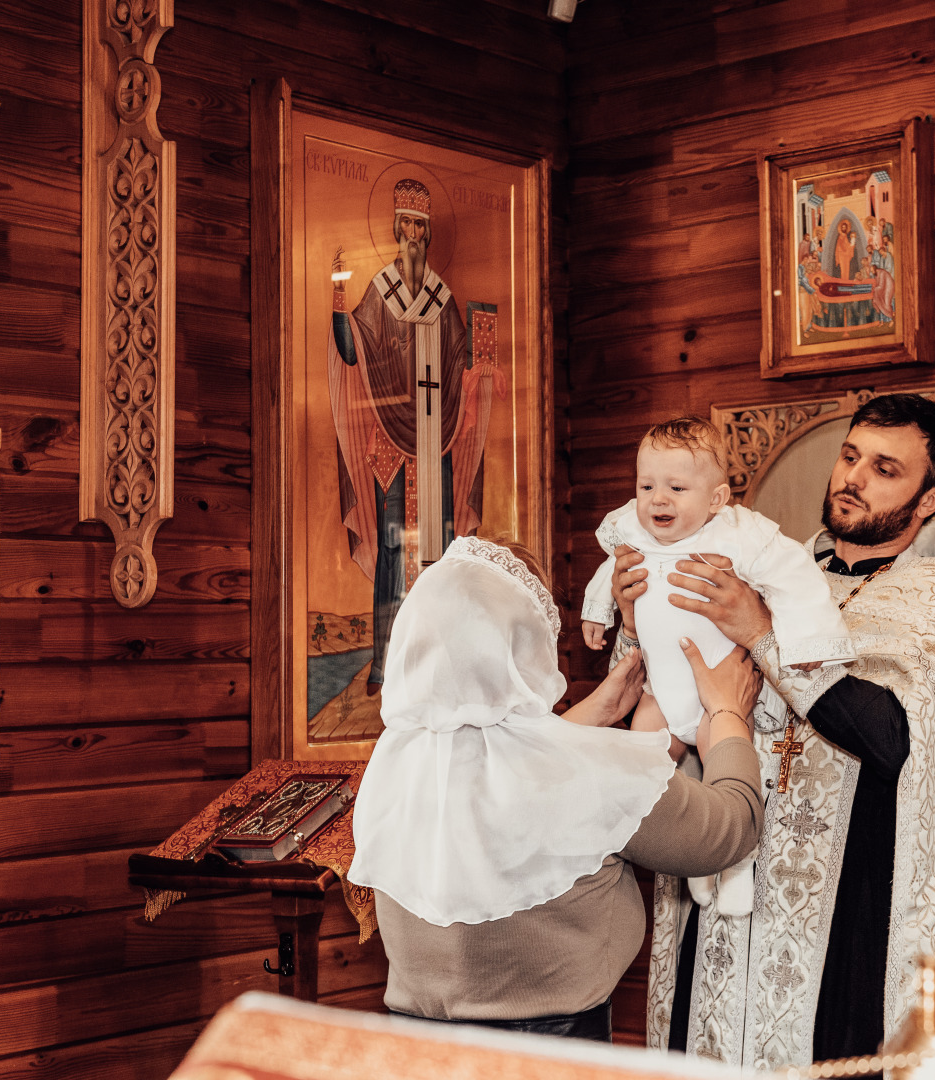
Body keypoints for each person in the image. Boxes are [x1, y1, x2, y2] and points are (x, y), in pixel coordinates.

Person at [622, 395, 935, 1070]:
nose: (853, 478)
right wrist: (639, 614)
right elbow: (666, 683)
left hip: (850, 901)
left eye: (884, 469)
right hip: (729, 868)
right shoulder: (771, 575)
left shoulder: (931, 601)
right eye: (849, 456)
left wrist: (760, 634)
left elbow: (893, 736)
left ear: (929, 500)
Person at [347, 536, 765, 1042]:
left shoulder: (396, 760)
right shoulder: (585, 772)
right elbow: (727, 830)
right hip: (548, 1049)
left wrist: (597, 714)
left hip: (414, 1050)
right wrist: (726, 715)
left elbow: (501, 758)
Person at [580, 417, 853, 915]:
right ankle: (688, 857)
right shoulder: (634, 530)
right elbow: (611, 568)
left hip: (718, 696)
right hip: (661, 695)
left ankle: (733, 865)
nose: (658, 499)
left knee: (725, 780)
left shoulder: (739, 536)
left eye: (676, 487)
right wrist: (599, 609)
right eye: (646, 486)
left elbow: (793, 576)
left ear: (717, 498)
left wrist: (811, 639)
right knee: (642, 768)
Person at [326, 177, 493, 693]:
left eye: (423, 227)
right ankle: (386, 662)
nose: (415, 236)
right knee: (396, 553)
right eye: (409, 226)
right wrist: (337, 299)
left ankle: (439, 664)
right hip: (391, 448)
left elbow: (465, 360)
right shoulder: (379, 292)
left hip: (436, 442)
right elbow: (354, 348)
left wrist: (482, 340)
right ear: (397, 229)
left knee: (438, 552)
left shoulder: (443, 300)